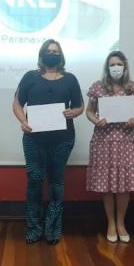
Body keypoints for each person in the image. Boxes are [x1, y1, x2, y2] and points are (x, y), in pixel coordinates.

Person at [12, 39, 84, 245]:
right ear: (42, 55)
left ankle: (53, 229)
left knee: (56, 183)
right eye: (49, 51)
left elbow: (80, 106)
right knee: (34, 181)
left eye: (56, 51)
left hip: (62, 139)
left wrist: (74, 112)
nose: (52, 54)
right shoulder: (29, 77)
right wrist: (23, 121)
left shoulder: (70, 79)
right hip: (34, 139)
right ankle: (34, 228)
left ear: (61, 56)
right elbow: (17, 103)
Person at [85, 51, 134, 243]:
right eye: (112, 64)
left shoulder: (133, 88)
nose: (115, 67)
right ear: (107, 67)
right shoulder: (98, 87)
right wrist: (96, 120)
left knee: (124, 184)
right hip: (104, 140)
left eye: (119, 64)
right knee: (107, 184)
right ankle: (110, 223)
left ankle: (121, 223)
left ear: (124, 66)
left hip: (125, 139)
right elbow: (89, 112)